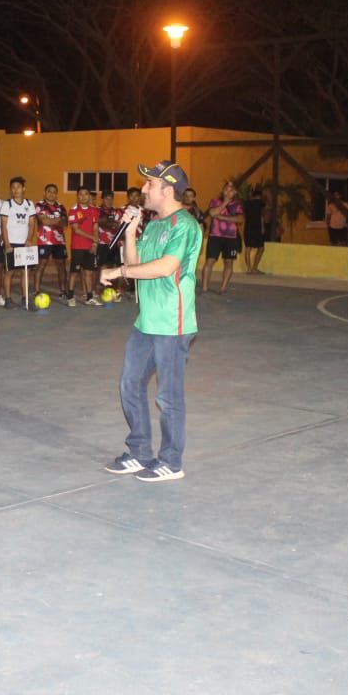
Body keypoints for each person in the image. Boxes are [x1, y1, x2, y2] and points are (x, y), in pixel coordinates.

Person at [99, 161, 203, 483]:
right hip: (146, 321)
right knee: (130, 384)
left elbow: (165, 267)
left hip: (172, 323)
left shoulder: (185, 225)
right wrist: (131, 233)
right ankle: (140, 451)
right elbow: (136, 267)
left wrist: (119, 271)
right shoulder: (155, 224)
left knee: (168, 396)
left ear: (168, 190)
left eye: (150, 184)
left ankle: (171, 461)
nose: (143, 189)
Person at [34, 183, 73, 305]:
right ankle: (36, 291)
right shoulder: (39, 205)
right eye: (49, 191)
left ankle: (63, 291)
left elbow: (65, 223)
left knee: (61, 265)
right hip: (44, 240)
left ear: (56, 194)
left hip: (59, 241)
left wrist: (50, 220)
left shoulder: (61, 206)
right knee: (41, 265)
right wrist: (57, 220)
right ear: (45, 193)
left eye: (54, 192)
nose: (51, 194)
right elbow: (43, 220)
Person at [0, 176, 35, 306]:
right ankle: (8, 299)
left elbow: (31, 224)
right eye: (13, 188)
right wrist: (7, 244)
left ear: (23, 188)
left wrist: (29, 239)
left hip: (24, 244)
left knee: (25, 272)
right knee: (9, 272)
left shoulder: (29, 204)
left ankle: (25, 299)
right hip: (11, 244)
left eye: (18, 187)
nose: (15, 190)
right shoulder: (7, 205)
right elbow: (3, 226)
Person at [202, 180, 242, 293]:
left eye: (231, 190)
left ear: (235, 192)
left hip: (231, 238)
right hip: (215, 236)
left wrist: (222, 217)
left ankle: (223, 288)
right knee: (210, 261)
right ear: (223, 191)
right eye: (226, 190)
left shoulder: (238, 204)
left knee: (229, 262)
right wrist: (225, 203)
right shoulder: (215, 201)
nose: (228, 192)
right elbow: (212, 213)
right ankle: (204, 288)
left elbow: (240, 219)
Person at [67, 185, 102, 305]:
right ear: (77, 196)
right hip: (77, 247)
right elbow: (76, 230)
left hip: (90, 247)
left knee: (89, 272)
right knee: (74, 272)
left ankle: (89, 298)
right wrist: (93, 238)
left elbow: (95, 227)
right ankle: (70, 297)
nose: (83, 197)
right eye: (80, 194)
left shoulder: (94, 210)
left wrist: (94, 243)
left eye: (86, 194)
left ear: (89, 195)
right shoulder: (73, 210)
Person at [96, 190, 124, 298]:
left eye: (111, 198)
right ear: (102, 199)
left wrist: (112, 223)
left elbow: (121, 225)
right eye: (106, 198)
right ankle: (102, 288)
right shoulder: (97, 210)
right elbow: (100, 221)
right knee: (103, 266)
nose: (109, 201)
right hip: (102, 243)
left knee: (115, 266)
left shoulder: (117, 211)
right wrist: (112, 223)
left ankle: (114, 290)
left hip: (116, 243)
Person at [242, 186, 267, 274]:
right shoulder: (261, 203)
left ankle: (249, 269)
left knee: (248, 248)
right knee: (261, 248)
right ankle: (254, 268)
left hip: (248, 227)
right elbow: (262, 216)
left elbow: (244, 215)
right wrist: (263, 228)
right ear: (259, 196)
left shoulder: (246, 203)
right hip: (257, 228)